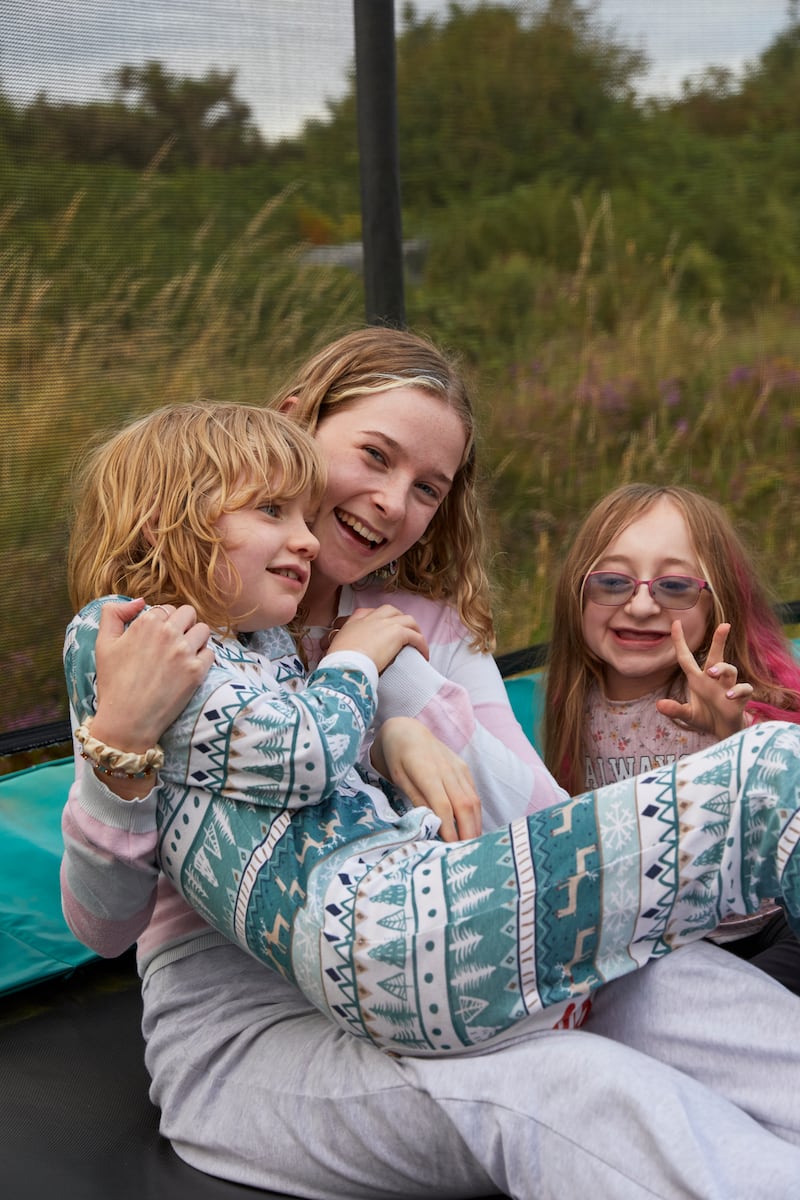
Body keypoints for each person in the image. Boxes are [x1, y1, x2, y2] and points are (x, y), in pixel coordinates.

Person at [61, 328, 800, 1198]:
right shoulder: (165, 640)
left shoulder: (422, 630)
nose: (390, 502)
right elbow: (105, 928)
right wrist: (121, 750)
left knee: (694, 991)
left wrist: (400, 702)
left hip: (455, 949)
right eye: (374, 455)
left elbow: (535, 828)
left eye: (426, 489)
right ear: (296, 424)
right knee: (578, 1087)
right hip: (259, 1030)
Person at [543, 483, 800, 995]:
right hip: (661, 947)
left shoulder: (724, 694)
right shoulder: (577, 703)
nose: (639, 606)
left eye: (675, 587)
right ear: (577, 592)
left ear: (714, 603)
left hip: (772, 926)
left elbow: (783, 789)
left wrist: (731, 732)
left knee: (752, 1002)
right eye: (613, 582)